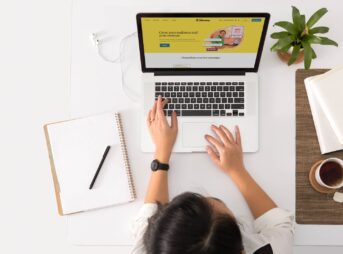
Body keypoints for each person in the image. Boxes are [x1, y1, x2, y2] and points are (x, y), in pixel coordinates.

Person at [132, 96, 294, 254]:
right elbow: (281, 225)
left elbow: (148, 219)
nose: (210, 198)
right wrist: (237, 170)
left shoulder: (148, 246)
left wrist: (161, 151)